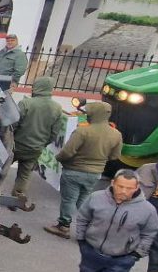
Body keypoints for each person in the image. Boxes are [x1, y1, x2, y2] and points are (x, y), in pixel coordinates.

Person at [45, 101, 122, 238]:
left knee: (69, 199)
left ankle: (63, 226)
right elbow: (115, 156)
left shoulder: (83, 131)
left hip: (74, 170)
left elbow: (68, 152)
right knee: (84, 200)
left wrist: (57, 158)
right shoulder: (116, 134)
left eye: (88, 113)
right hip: (95, 173)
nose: (86, 115)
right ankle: (89, 227)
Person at [10, 76, 66, 210]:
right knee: (24, 174)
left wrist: (11, 139)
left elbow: (13, 124)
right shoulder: (57, 108)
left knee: (1, 170)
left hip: (16, 144)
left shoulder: (26, 104)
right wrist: (43, 143)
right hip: (35, 148)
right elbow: (54, 133)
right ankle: (15, 201)